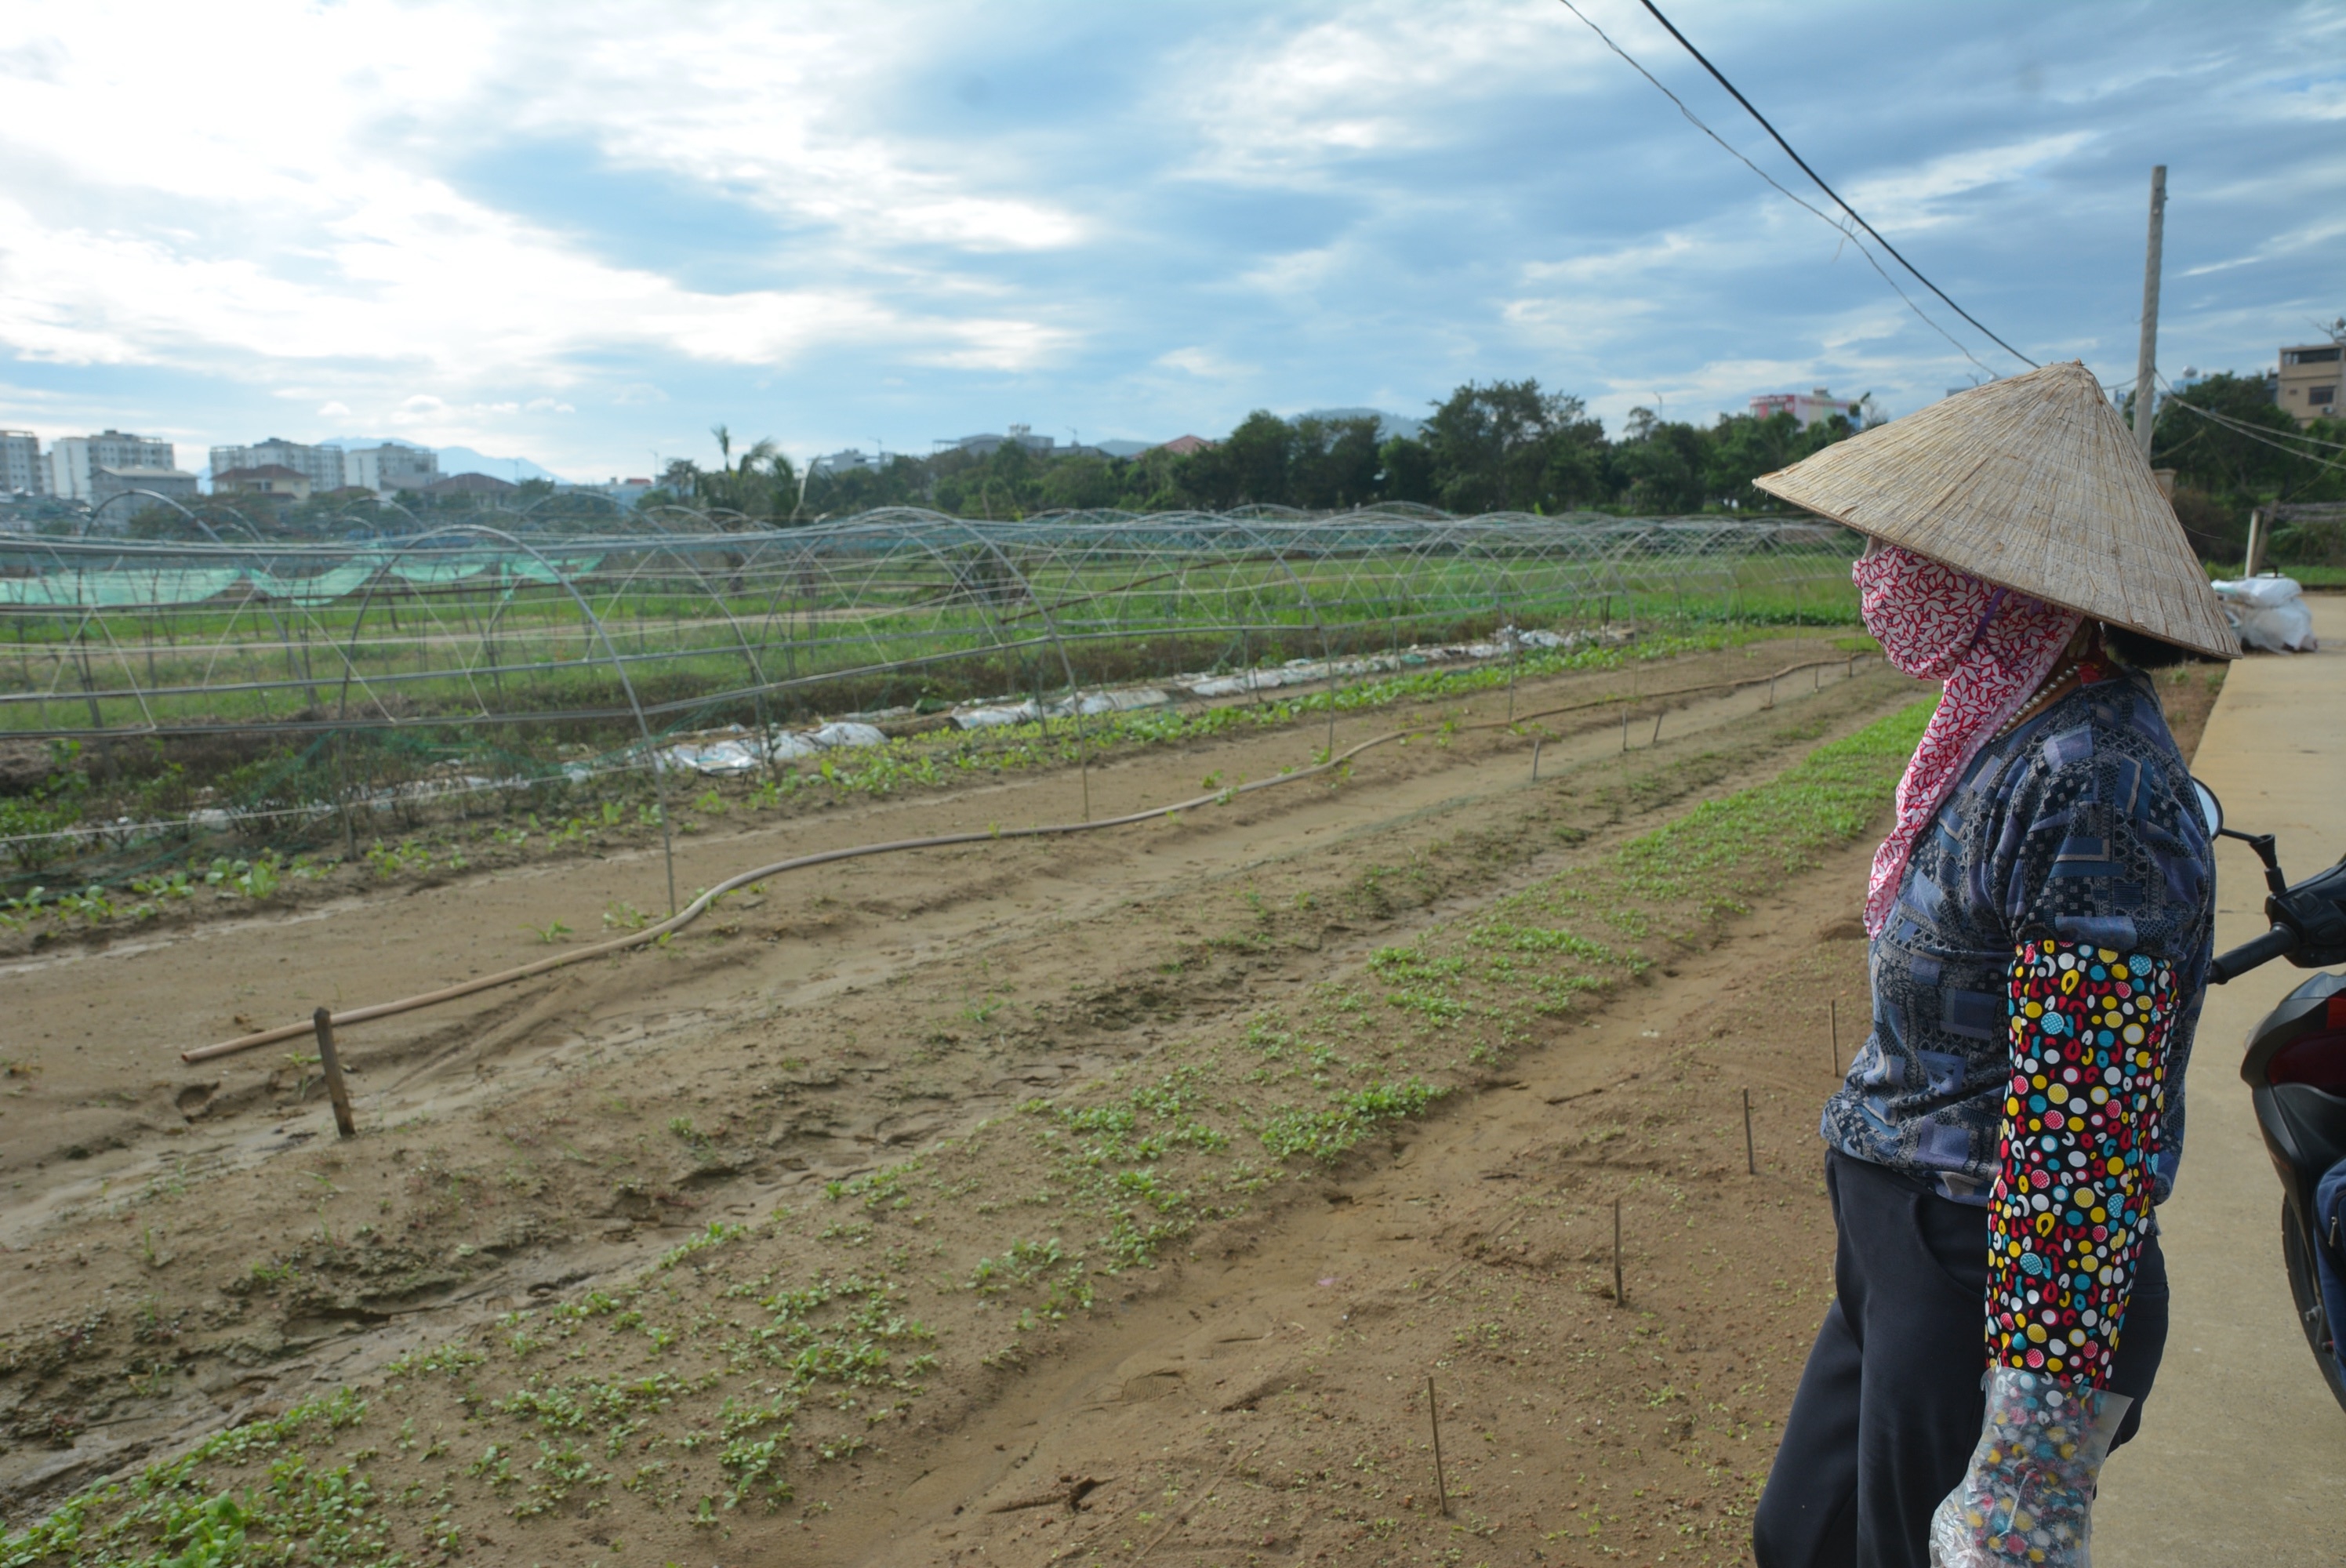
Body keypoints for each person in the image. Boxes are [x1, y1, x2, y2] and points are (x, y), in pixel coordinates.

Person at [1741, 361, 2239, 1568]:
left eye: (1895, 550)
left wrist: (2030, 1464)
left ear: (1999, 579)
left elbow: (2084, 1137)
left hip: (1984, 1265)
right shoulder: (2004, 717)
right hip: (1901, 1236)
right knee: (1801, 1539)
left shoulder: (2095, 786)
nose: (1871, 575)